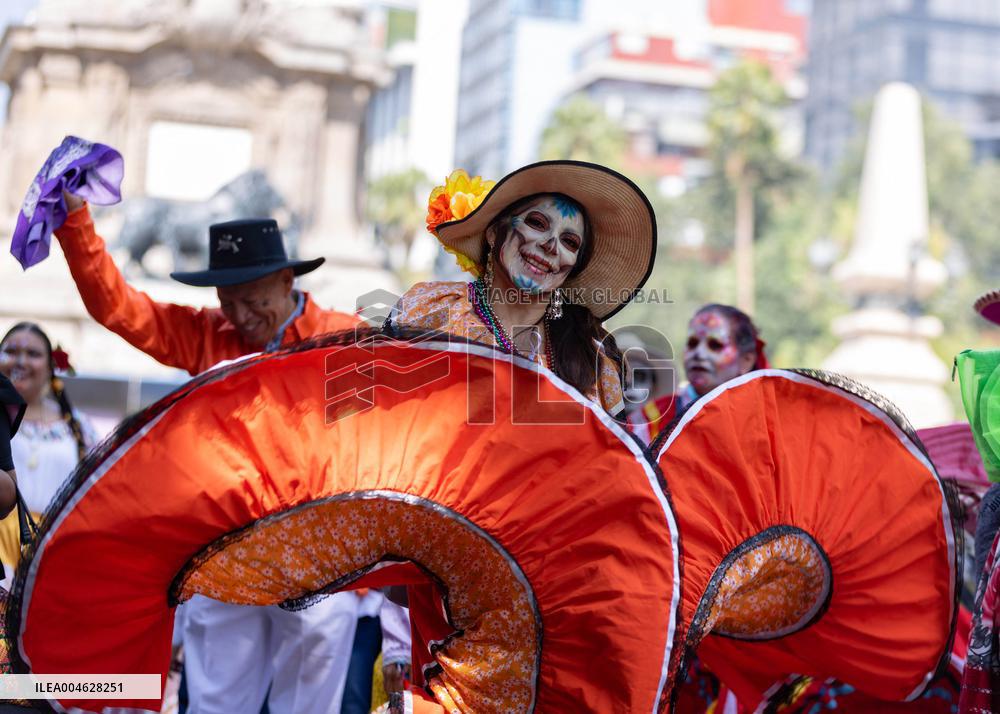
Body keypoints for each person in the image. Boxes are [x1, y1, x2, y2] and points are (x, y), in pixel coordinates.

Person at [53, 191, 363, 714]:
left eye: (254, 299)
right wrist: (74, 220)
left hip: (322, 560)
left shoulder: (348, 340)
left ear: (288, 282)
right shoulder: (204, 335)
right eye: (228, 300)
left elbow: (376, 447)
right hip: (225, 558)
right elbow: (116, 306)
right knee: (215, 706)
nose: (240, 316)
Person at [386, 160, 656, 701]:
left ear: (574, 267)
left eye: (569, 241)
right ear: (494, 231)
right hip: (440, 566)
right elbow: (384, 431)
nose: (549, 245)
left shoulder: (594, 363)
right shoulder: (433, 314)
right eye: (536, 224)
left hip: (547, 586)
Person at [0, 323, 97, 582]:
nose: (20, 361)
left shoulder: (78, 426)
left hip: (56, 554)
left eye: (33, 354)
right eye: (10, 351)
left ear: (50, 366)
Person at [639, 303, 768, 445]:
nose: (698, 354)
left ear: (746, 361)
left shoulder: (765, 421)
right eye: (692, 343)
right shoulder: (653, 417)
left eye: (715, 345)